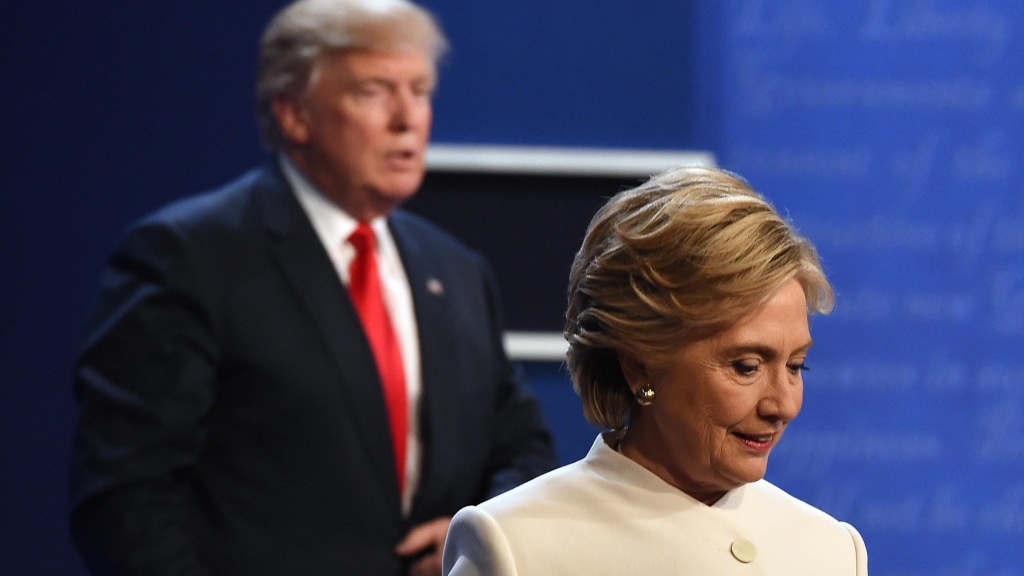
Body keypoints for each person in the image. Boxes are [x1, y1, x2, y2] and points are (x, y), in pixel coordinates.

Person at [69, 1, 556, 575]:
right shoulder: (189, 256)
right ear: (294, 114)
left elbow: (523, 449)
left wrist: (474, 527)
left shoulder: (455, 269)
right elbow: (126, 497)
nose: (408, 118)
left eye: (420, 90)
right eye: (374, 91)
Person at [442, 166, 869, 575]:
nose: (783, 404)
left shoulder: (830, 551)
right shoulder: (515, 547)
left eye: (796, 366)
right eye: (747, 366)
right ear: (639, 365)